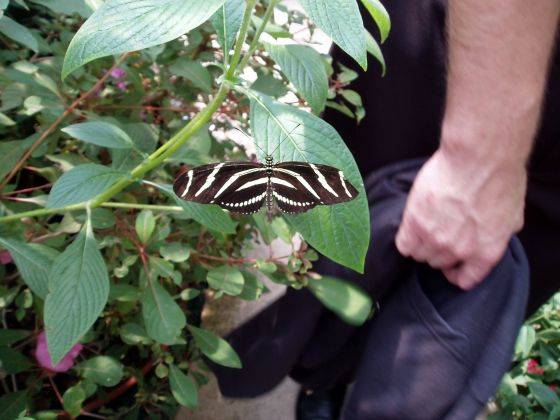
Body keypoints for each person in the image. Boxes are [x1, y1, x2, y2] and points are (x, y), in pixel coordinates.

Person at [211, 0, 560, 418]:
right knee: (354, 234)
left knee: (482, 282)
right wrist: (478, 156)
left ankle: (374, 381)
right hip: (462, 31)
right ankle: (325, 374)